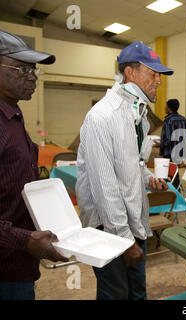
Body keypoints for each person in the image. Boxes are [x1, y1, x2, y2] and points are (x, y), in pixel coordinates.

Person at [76, 41, 173, 300]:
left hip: (131, 222)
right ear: (130, 73)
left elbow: (133, 165)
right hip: (107, 228)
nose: (158, 82)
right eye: (153, 74)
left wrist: (149, 179)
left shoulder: (137, 116)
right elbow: (104, 186)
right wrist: (124, 241)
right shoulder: (102, 117)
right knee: (115, 295)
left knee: (137, 293)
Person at [0, 30, 68, 300]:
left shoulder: (13, 115)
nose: (33, 78)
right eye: (21, 69)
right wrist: (24, 240)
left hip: (19, 266)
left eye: (34, 70)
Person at [158, 98, 186, 164]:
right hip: (180, 152)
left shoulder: (168, 120)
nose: (165, 108)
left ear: (169, 108)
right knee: (175, 171)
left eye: (166, 106)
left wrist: (160, 144)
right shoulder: (183, 119)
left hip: (169, 153)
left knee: (170, 172)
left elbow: (168, 139)